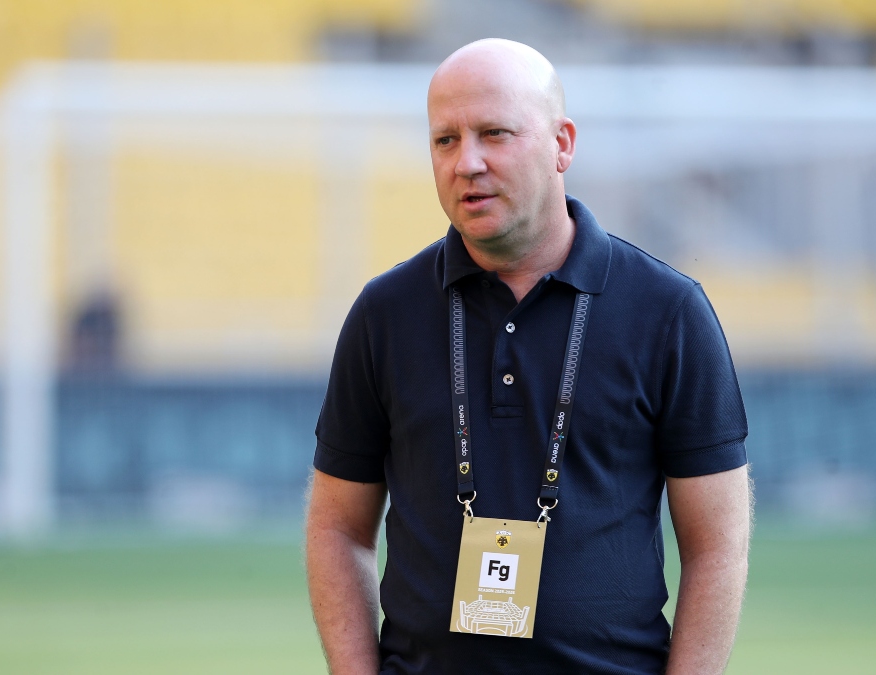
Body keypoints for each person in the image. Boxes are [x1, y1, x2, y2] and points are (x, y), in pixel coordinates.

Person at [306, 38, 751, 675]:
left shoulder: (669, 311)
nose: (467, 162)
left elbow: (717, 547)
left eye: (495, 133)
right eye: (445, 140)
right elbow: (337, 529)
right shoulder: (384, 313)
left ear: (562, 143)